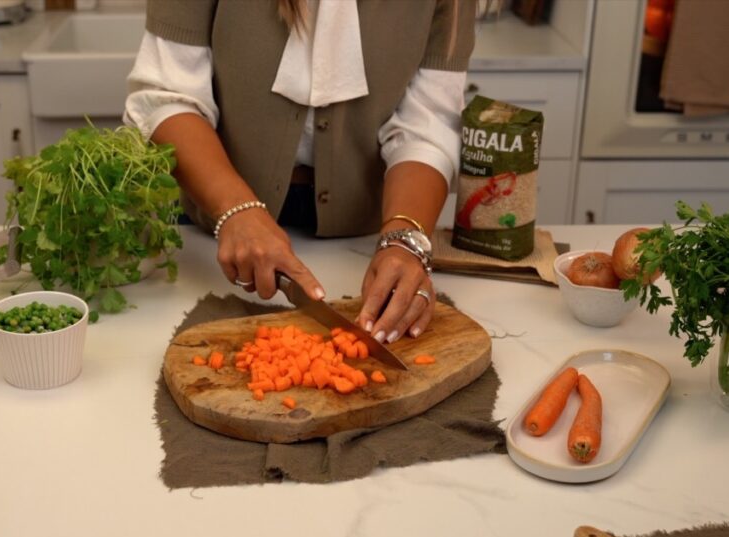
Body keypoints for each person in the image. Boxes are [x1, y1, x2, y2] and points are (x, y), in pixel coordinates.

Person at [124, 0, 474, 344]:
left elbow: (429, 121)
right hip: (212, 240)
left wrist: (405, 241)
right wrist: (236, 211)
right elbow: (167, 96)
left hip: (365, 248)